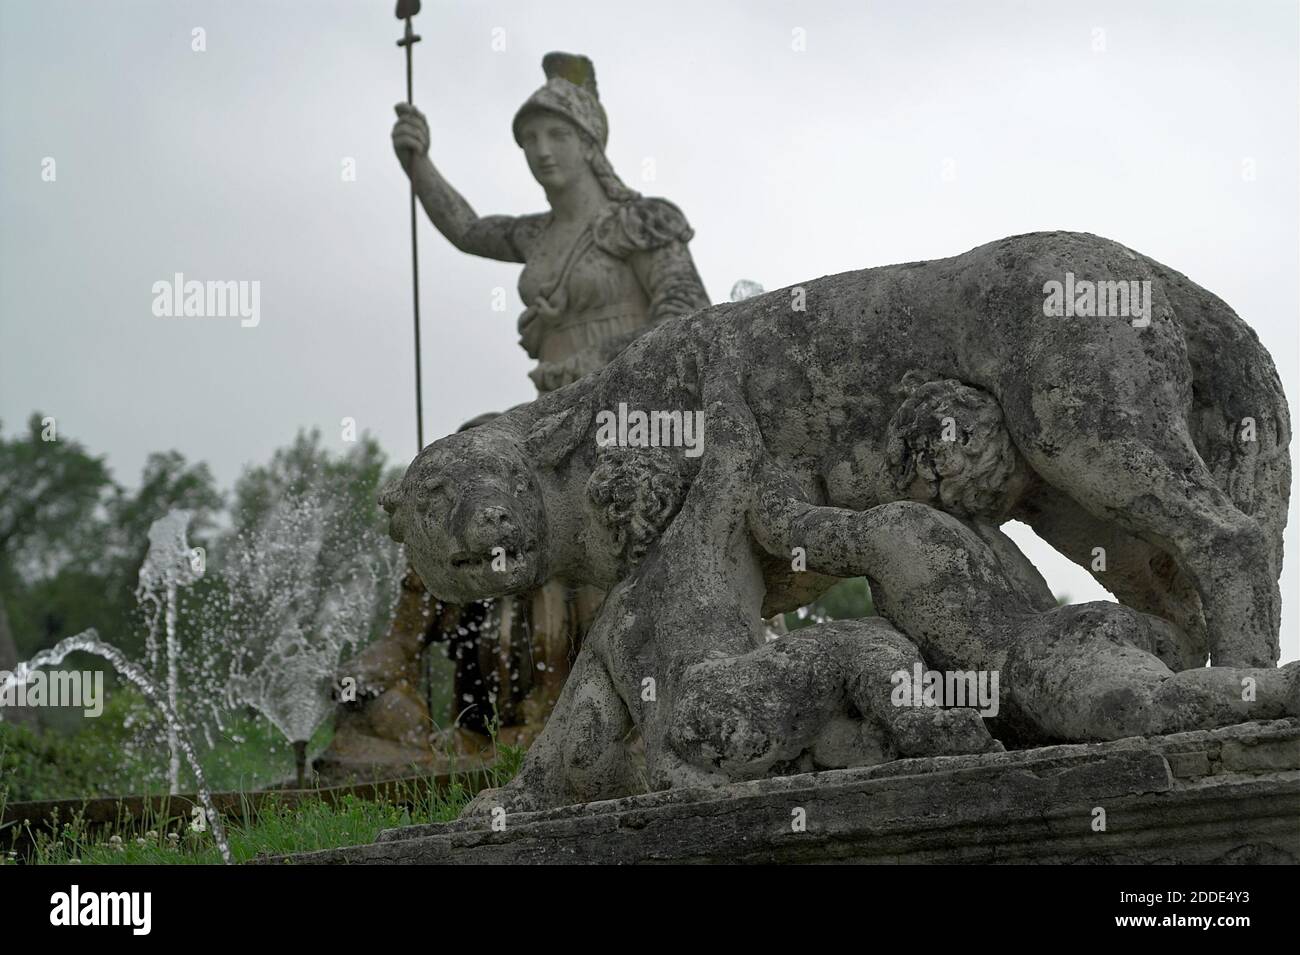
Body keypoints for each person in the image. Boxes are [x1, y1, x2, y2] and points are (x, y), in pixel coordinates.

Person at [391, 51, 709, 391]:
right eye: (530, 139)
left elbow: (689, 315)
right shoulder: (534, 234)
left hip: (638, 398)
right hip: (553, 403)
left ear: (589, 146)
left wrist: (605, 356)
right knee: (469, 440)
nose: (542, 150)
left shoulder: (641, 220)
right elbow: (468, 230)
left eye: (557, 135)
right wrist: (418, 162)